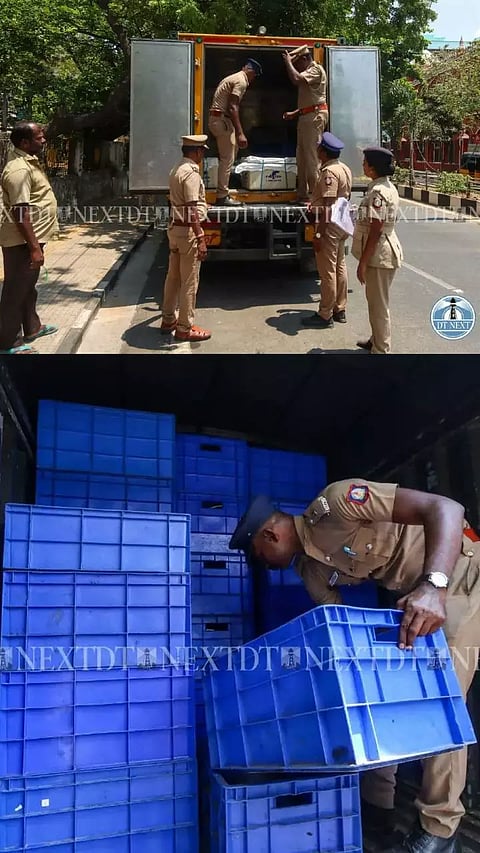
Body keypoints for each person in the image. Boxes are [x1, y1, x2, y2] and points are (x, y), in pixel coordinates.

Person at [230, 481, 480, 853]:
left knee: (440, 708)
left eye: (259, 554)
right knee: (381, 702)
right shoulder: (310, 571)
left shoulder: (336, 503)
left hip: (457, 579)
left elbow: (446, 508)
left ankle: (440, 830)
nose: (263, 564)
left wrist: (434, 585)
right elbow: (337, 626)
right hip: (413, 599)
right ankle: (378, 811)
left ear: (270, 534)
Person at [0, 121, 59, 354]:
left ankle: (32, 327)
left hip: (29, 238)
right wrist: (34, 248)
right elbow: (20, 211)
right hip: (21, 241)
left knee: (27, 286)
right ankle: (7, 343)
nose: (44, 141)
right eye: (39, 137)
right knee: (15, 290)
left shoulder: (27, 162)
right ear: (24, 142)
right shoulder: (19, 170)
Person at [352, 146, 403, 354]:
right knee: (375, 302)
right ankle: (376, 340)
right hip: (383, 248)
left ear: (372, 168)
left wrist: (363, 263)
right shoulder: (385, 187)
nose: (363, 165)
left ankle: (381, 351)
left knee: (378, 306)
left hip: (379, 254)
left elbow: (375, 229)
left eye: (365, 162)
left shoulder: (378, 192)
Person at [160, 134, 211, 343]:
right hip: (187, 232)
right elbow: (191, 208)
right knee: (189, 281)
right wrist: (200, 237)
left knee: (173, 277)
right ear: (197, 151)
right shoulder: (191, 173)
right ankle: (184, 327)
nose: (203, 155)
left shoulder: (176, 169)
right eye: (202, 152)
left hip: (175, 229)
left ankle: (168, 319)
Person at [301, 132, 352, 329]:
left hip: (329, 226)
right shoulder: (344, 168)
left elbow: (328, 206)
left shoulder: (329, 172)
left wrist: (319, 233)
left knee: (326, 271)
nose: (317, 151)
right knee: (340, 266)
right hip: (342, 223)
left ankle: (325, 314)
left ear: (323, 152)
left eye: (319, 148)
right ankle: (340, 308)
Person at [208, 59, 263, 207]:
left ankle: (223, 191)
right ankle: (222, 196)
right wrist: (240, 133)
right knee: (227, 159)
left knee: (229, 156)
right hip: (222, 121)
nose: (252, 80)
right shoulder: (241, 81)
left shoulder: (233, 77)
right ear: (251, 72)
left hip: (219, 119)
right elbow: (233, 107)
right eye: (254, 76)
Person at [282, 45, 328, 202]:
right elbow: (309, 102)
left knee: (311, 158)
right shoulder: (307, 71)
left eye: (297, 63)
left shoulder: (315, 70)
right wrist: (295, 113)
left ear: (304, 58)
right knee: (301, 158)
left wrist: (288, 61)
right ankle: (302, 195)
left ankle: (315, 197)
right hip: (306, 116)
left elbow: (296, 79)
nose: (296, 67)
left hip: (314, 117)